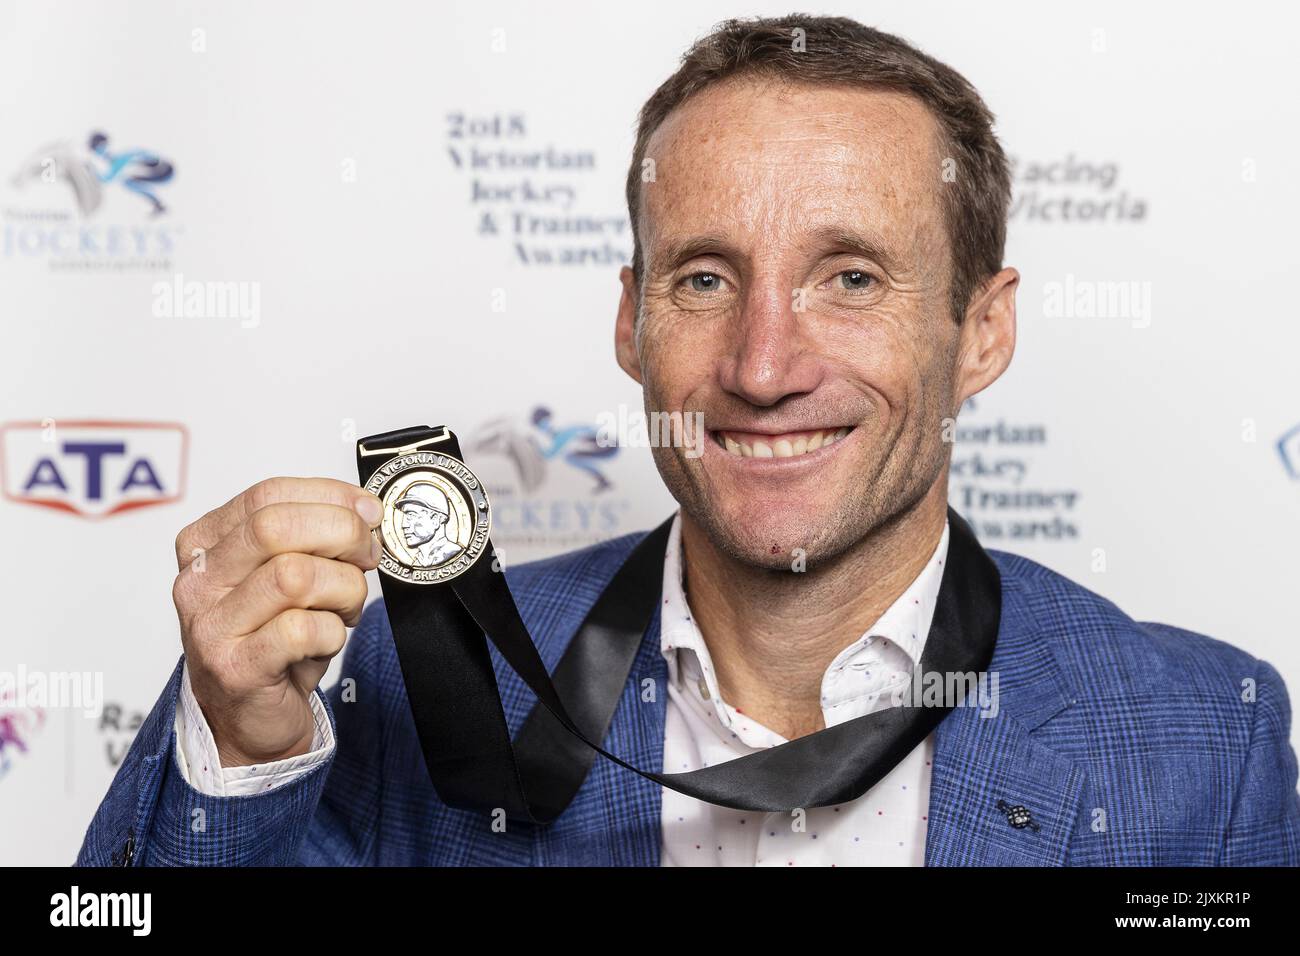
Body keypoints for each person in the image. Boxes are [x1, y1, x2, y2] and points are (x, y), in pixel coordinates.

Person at [77, 14, 1299, 867]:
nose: (764, 368)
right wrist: (238, 748)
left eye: (852, 277)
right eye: (707, 278)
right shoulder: (402, 677)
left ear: (980, 332)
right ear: (630, 318)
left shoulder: (1204, 732)